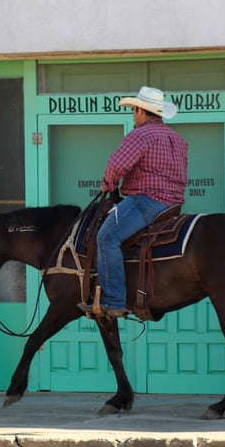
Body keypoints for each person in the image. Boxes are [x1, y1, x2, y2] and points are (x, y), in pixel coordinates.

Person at [78, 86, 188, 319]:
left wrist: (108, 184)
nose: (133, 116)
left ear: (141, 111)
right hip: (173, 206)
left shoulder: (140, 135)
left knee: (106, 237)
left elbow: (117, 165)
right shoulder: (178, 139)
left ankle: (113, 301)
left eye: (134, 111)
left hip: (147, 201)